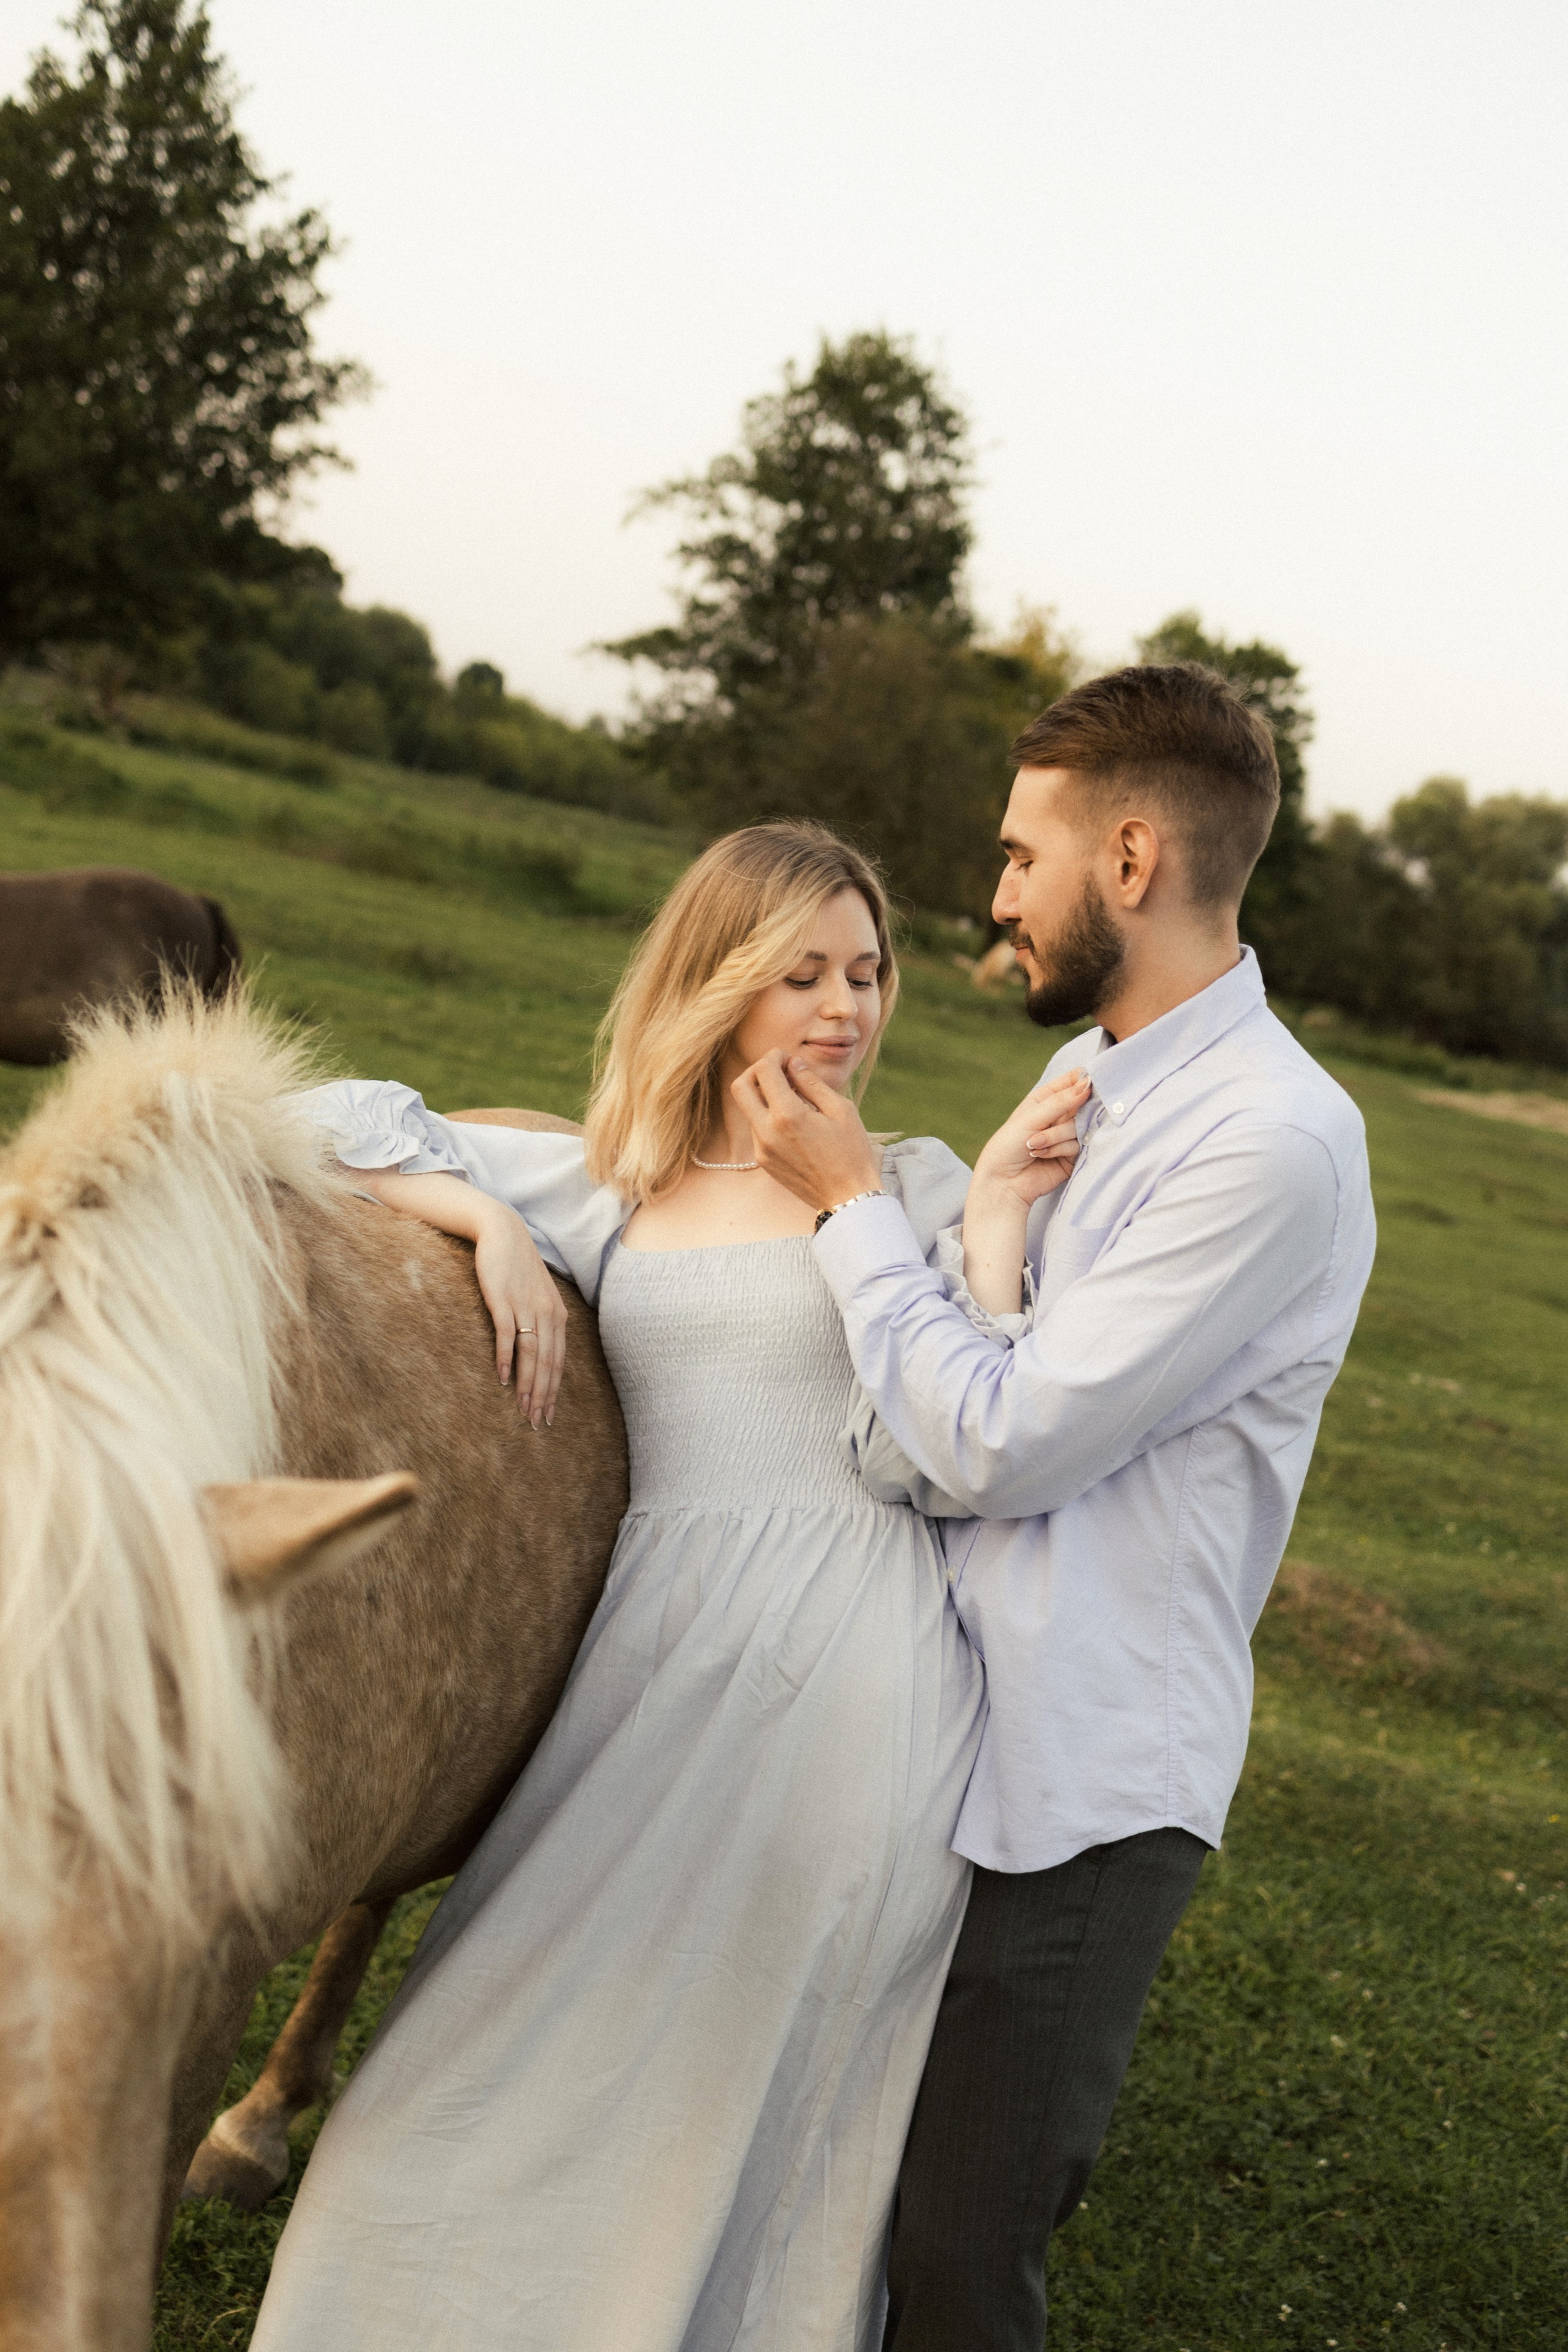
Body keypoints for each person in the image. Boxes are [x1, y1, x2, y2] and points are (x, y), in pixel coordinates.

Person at [250, 823, 1001, 2352]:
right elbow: (302, 1118)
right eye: (800, 974)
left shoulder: (919, 1190)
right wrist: (489, 1226)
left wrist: (866, 1211)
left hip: (855, 1671)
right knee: (477, 2058)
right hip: (655, 1666)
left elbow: (954, 1449)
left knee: (736, 2090)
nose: (844, 1008)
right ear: (716, 983)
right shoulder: (622, 1184)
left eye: (864, 973)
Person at [736, 662, 1378, 2351]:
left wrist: (857, 1209)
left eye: (1025, 854)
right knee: (838, 2211)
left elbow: (1000, 1442)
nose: (997, 891)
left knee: (958, 2254)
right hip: (938, 1732)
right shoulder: (1087, 1099)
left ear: (1136, 859)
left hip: (1077, 1787)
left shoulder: (1270, 1145)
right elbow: (937, 1399)